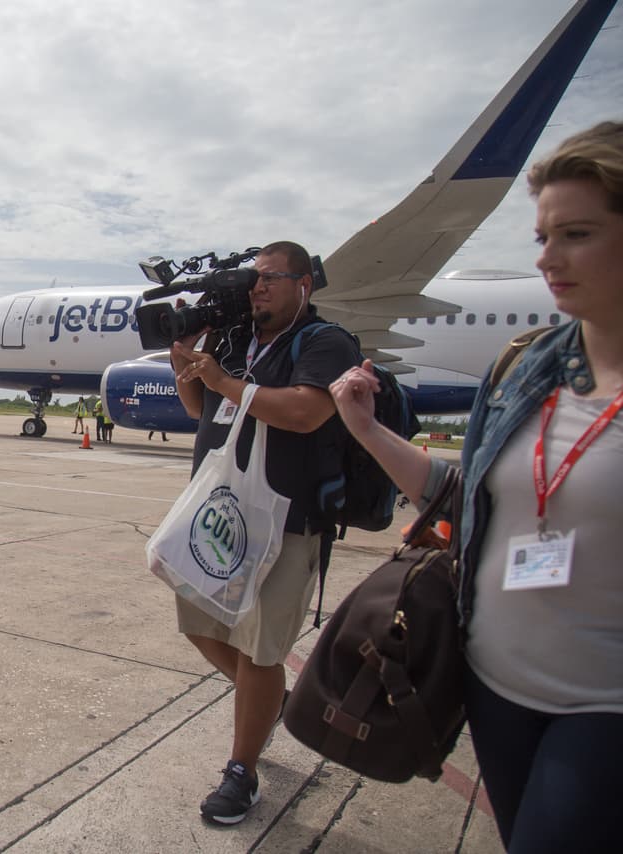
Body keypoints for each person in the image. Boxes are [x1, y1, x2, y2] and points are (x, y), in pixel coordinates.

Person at [330, 121, 623, 852]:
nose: (547, 258)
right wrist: (365, 430)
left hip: (603, 701)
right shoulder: (523, 367)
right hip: (494, 688)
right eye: (542, 237)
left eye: (577, 234)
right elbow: (465, 498)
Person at [169, 240, 360, 824]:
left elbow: (304, 412)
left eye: (270, 278)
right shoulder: (233, 341)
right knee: (198, 624)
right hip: (220, 519)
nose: (257, 288)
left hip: (288, 523)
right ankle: (271, 701)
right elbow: (198, 409)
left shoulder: (324, 342)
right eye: (254, 279)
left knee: (259, 649)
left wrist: (225, 381)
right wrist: (186, 360)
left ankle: (242, 773)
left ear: (304, 284)